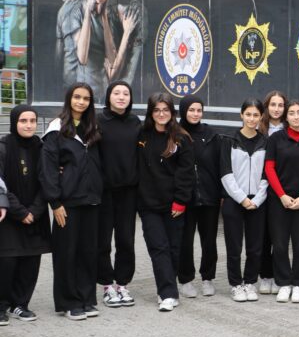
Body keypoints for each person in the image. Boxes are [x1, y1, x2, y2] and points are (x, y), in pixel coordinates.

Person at [41, 82, 104, 321]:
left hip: (91, 200)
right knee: (67, 253)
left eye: (86, 98)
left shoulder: (93, 128)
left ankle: (86, 299)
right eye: (77, 97)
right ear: (69, 99)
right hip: (67, 203)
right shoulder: (56, 129)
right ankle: (69, 302)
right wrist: (55, 202)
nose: (81, 102)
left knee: (88, 252)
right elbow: (47, 168)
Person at [137, 94, 195, 312]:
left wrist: (181, 200)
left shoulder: (181, 138)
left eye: (165, 110)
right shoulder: (142, 135)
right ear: (151, 112)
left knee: (173, 249)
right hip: (148, 204)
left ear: (172, 112)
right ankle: (168, 293)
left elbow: (186, 173)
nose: (161, 114)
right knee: (158, 247)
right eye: (156, 110)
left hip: (174, 205)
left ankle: (168, 286)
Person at [265, 100, 299, 304]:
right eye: (291, 113)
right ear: (286, 117)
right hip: (279, 199)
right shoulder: (276, 139)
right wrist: (281, 195)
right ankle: (283, 283)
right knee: (279, 245)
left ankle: (298, 284)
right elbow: (269, 168)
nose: (296, 117)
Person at [96, 79, 141, 308]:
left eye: (126, 93)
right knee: (102, 240)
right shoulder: (98, 120)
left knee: (126, 239)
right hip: (104, 192)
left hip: (128, 191)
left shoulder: (135, 122)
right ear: (109, 96)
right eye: (117, 93)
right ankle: (107, 285)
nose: (121, 97)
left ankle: (122, 284)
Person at [220, 98, 269, 303]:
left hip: (257, 202)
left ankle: (250, 282)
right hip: (234, 200)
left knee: (255, 247)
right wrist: (241, 199)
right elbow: (225, 173)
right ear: (241, 115)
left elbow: (267, 174)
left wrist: (257, 199)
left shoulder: (265, 142)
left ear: (261, 117)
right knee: (234, 247)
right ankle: (235, 284)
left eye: (256, 115)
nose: (251, 119)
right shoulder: (229, 140)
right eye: (248, 114)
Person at [0, 106, 43, 324]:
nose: (28, 125)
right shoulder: (3, 147)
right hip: (9, 216)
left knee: (30, 262)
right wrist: (20, 212)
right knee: (6, 262)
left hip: (35, 216)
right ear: (14, 122)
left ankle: (20, 304)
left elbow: (47, 181)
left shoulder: (42, 147)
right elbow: (1, 184)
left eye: (32, 121)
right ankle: (1, 305)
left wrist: (34, 210)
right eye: (23, 121)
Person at [177, 95, 221, 298]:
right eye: (191, 110)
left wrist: (221, 193)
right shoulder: (175, 133)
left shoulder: (211, 134)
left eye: (199, 110)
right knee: (185, 241)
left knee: (209, 240)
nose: (195, 114)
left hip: (209, 197)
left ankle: (208, 278)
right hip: (185, 198)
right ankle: (185, 280)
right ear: (183, 111)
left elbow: (219, 165)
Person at [257, 90, 287, 294]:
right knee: (263, 236)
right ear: (266, 107)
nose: (277, 109)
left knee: (280, 237)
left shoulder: (290, 129)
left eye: (280, 105)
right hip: (260, 189)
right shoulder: (258, 128)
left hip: (280, 189)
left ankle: (278, 275)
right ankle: (265, 275)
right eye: (273, 105)